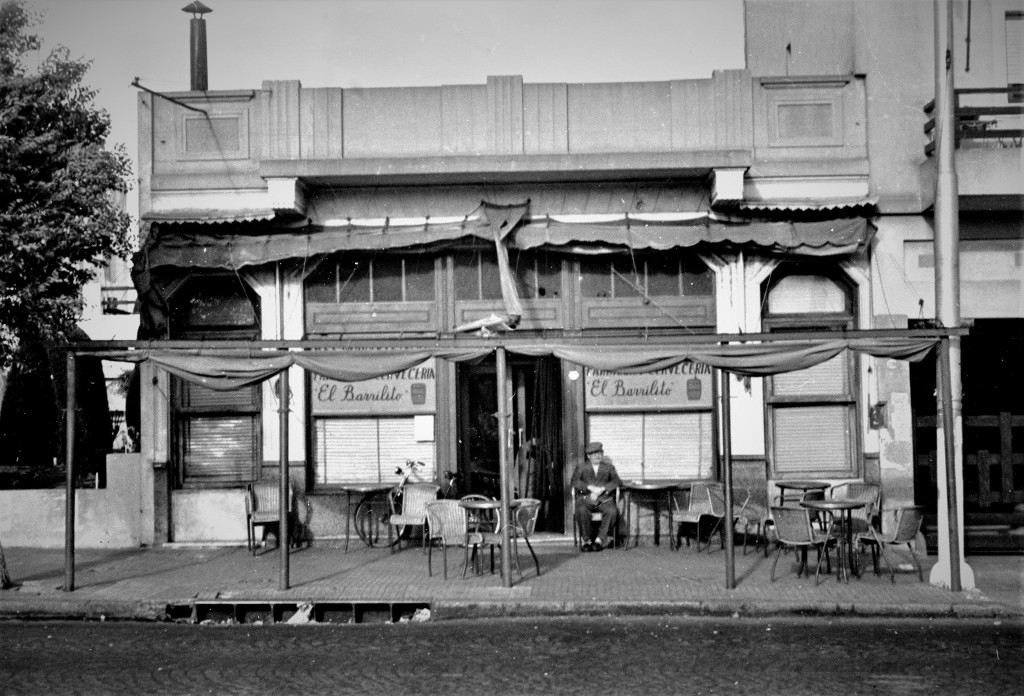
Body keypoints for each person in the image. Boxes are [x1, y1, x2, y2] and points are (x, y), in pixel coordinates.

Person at [571, 441, 622, 552]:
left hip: (604, 498)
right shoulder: (582, 467)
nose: (597, 456)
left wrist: (602, 489)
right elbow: (574, 481)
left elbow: (617, 481)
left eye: (599, 453)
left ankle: (599, 540)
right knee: (581, 509)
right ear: (589, 456)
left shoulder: (608, 467)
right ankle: (586, 541)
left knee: (612, 511)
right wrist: (589, 488)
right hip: (586, 497)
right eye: (594, 454)